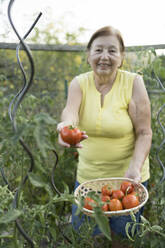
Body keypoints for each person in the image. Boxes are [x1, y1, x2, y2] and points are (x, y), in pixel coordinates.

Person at [57, 26, 152, 247]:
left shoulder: (133, 83)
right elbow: (70, 113)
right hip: (88, 182)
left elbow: (145, 132)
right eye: (98, 50)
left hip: (127, 181)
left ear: (122, 57)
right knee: (86, 238)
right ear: (88, 54)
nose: (104, 56)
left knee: (122, 239)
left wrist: (135, 169)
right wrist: (65, 128)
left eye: (112, 50)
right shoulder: (79, 83)